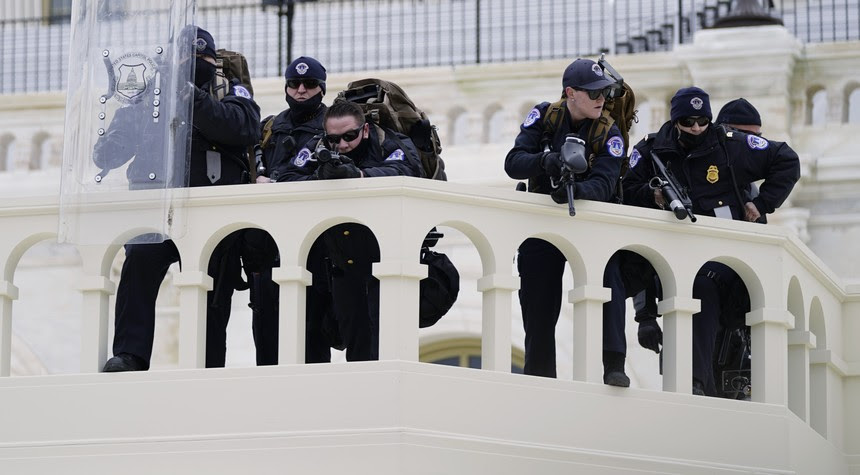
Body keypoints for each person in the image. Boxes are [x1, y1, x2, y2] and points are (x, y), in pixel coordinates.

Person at [102, 27, 261, 372]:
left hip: (213, 212)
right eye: (185, 57)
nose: (193, 63)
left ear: (213, 60)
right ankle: (130, 354)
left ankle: (206, 367)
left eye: (201, 57)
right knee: (139, 265)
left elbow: (242, 127)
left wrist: (191, 95)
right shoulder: (150, 95)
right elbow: (112, 148)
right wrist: (111, 137)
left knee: (212, 296)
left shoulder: (227, 90)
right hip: (159, 209)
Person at [622, 87, 800, 394]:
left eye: (702, 122)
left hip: (732, 268)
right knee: (697, 292)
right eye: (688, 122)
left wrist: (763, 204)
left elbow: (786, 160)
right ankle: (695, 386)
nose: (695, 129)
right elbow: (625, 201)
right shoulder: (653, 150)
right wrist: (645, 315)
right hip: (681, 266)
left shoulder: (731, 148)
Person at [504, 58, 631, 386]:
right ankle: (539, 374)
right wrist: (547, 161)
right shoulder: (546, 116)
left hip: (589, 220)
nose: (600, 99)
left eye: (603, 92)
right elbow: (514, 163)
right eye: (592, 94)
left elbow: (604, 184)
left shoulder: (608, 130)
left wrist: (575, 190)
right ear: (570, 93)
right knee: (538, 299)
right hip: (543, 221)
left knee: (608, 282)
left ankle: (614, 364)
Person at [282, 99, 423, 361]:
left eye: (350, 136)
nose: (342, 145)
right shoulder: (318, 147)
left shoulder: (387, 142)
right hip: (341, 263)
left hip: (384, 259)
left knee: (389, 344)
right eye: (334, 138)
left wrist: (360, 177)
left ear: (365, 130)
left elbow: (408, 170)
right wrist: (319, 178)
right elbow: (287, 179)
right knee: (356, 344)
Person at [242, 56, 329, 366]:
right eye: (294, 84)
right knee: (266, 332)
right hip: (267, 245)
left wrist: (278, 182)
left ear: (321, 88)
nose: (301, 90)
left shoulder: (332, 127)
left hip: (312, 245)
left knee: (312, 334)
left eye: (308, 85)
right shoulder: (269, 127)